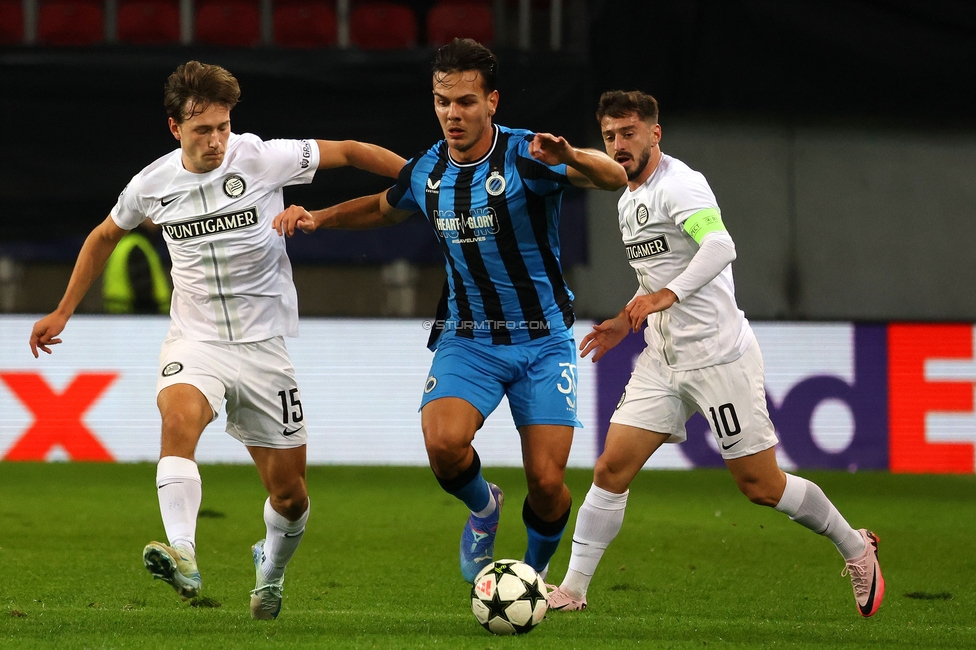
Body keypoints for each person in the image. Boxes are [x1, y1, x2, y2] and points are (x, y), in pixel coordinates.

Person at [29, 61, 405, 619]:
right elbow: (105, 234)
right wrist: (64, 309)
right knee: (178, 420)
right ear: (174, 128)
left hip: (263, 348)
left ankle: (270, 569)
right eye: (203, 129)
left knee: (290, 495)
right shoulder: (151, 185)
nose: (216, 140)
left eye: (223, 126)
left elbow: (348, 150)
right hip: (195, 340)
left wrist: (426, 179)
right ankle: (183, 552)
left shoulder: (260, 156)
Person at [273, 38, 627, 584]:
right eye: (443, 101)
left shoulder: (528, 156)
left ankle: (529, 579)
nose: (452, 114)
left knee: (549, 484)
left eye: (465, 101)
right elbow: (382, 208)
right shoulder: (428, 171)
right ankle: (485, 508)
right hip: (469, 337)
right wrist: (319, 217)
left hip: (543, 341)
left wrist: (573, 156)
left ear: (492, 102)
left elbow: (614, 178)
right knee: (442, 444)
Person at [545, 90, 885, 617]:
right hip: (662, 358)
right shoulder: (626, 198)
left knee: (761, 486)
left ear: (655, 133)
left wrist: (666, 297)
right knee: (612, 468)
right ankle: (573, 589)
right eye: (610, 136)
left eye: (629, 133)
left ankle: (856, 546)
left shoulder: (681, 185)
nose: (619, 146)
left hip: (718, 358)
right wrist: (625, 317)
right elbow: (654, 275)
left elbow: (720, 246)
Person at [102, 219, 171, 314]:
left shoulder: (124, 243)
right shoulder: (137, 246)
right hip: (136, 318)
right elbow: (143, 292)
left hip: (121, 314)